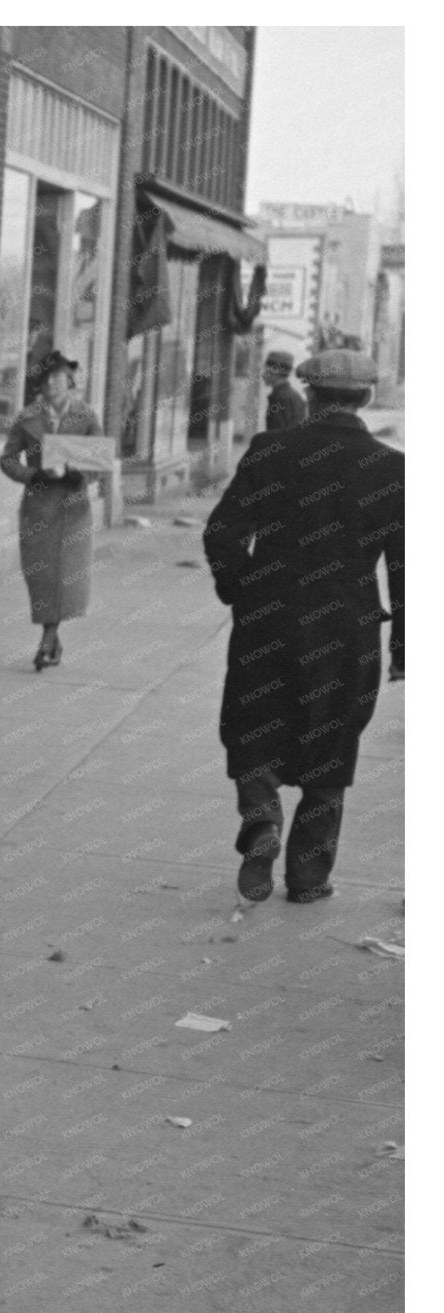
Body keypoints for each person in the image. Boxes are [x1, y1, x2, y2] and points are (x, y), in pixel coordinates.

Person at [203, 349, 403, 904]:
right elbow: (406, 567)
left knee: (254, 725)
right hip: (346, 626)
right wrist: (404, 647)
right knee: (333, 743)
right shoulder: (391, 468)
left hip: (268, 618)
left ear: (311, 395)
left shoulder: (271, 451)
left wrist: (244, 590)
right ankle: (309, 879)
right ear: (364, 398)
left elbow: (222, 534)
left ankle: (262, 817)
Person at [0, 350, 103, 671]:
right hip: (39, 509)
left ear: (69, 379)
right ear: (39, 384)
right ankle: (53, 640)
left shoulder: (86, 417)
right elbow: (7, 460)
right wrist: (35, 475)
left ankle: (46, 641)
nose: (52, 383)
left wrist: (80, 474)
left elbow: (98, 462)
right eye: (46, 378)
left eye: (58, 377)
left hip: (74, 509)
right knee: (43, 576)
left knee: (66, 577)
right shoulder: (26, 417)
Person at [261, 350, 308, 433]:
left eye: (266, 370)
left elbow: (277, 434)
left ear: (274, 371)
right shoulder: (293, 395)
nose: (263, 375)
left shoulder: (280, 397)